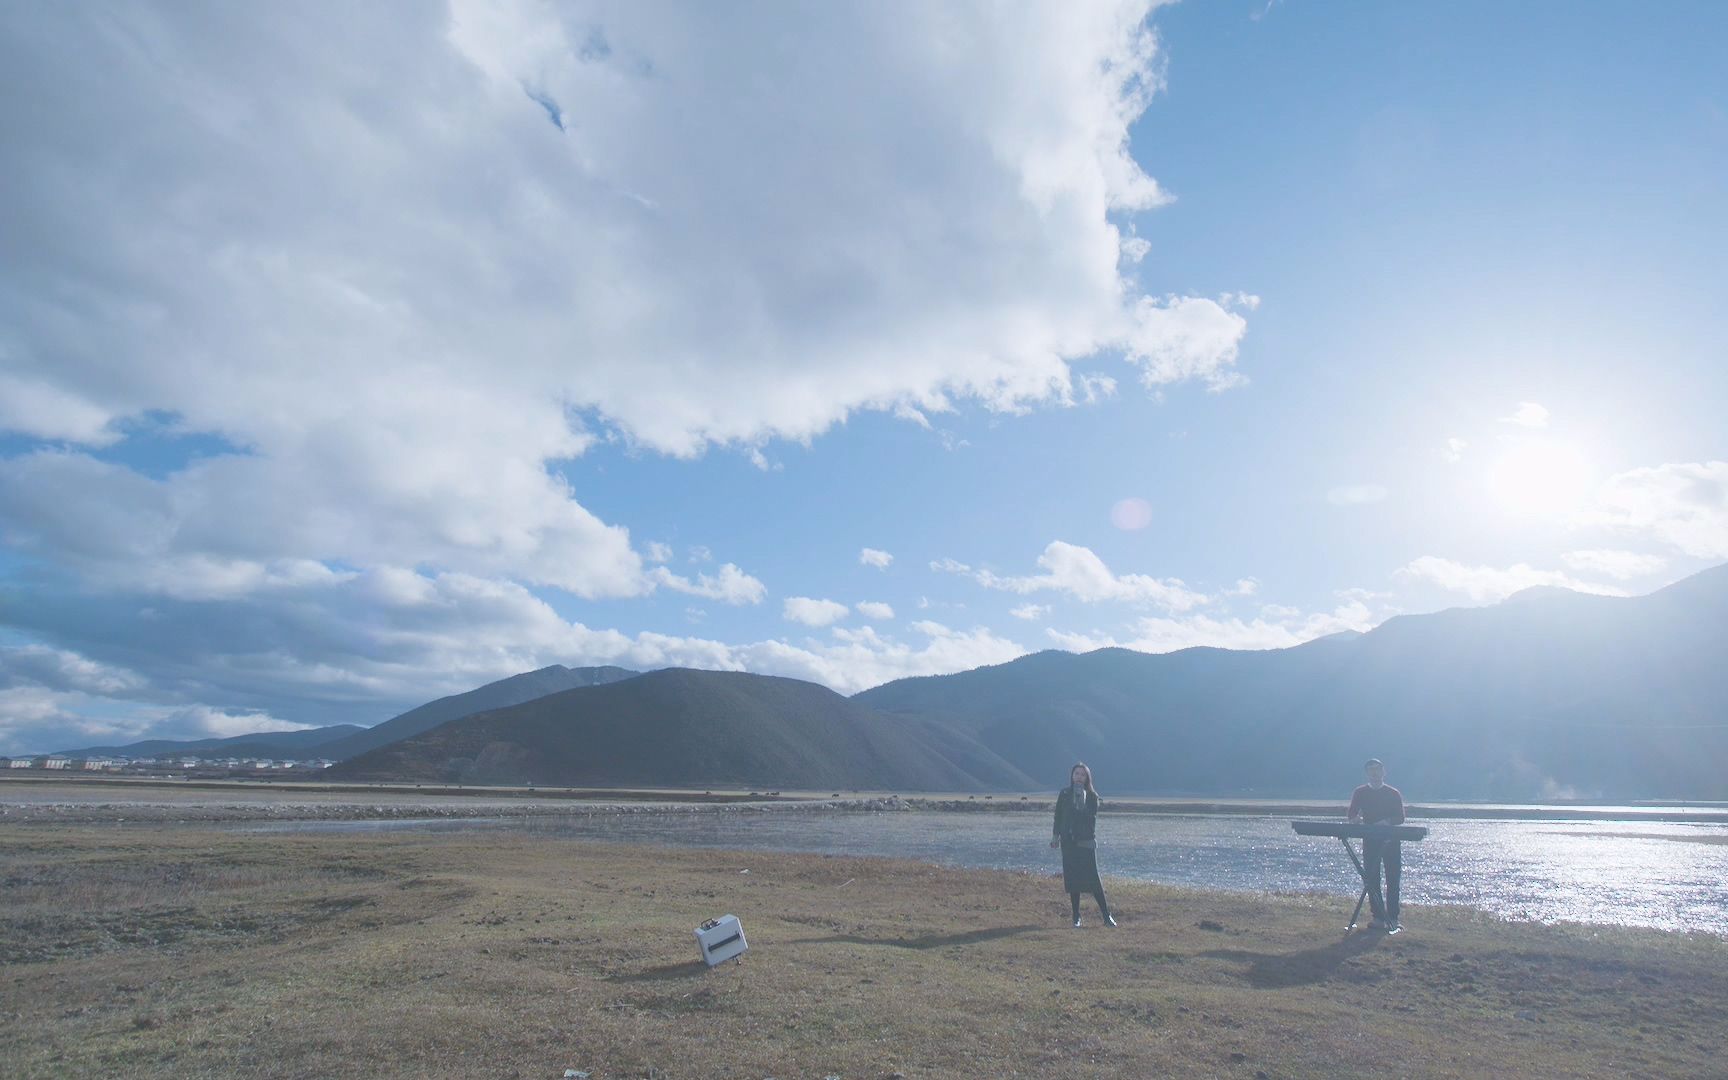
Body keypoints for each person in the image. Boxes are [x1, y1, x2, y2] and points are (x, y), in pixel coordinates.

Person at [1050, 762, 1115, 927]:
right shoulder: (1064, 794)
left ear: (1087, 778)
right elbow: (1058, 816)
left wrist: (1081, 802)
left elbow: (1090, 819)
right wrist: (1055, 836)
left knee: (1093, 879)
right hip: (1068, 843)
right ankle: (1076, 917)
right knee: (1073, 880)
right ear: (1072, 776)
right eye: (1076, 774)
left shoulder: (1092, 797)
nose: (1079, 777)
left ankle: (1107, 916)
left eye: (1082, 774)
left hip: (1085, 842)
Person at [1347, 758, 1406, 931]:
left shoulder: (1393, 793)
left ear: (1383, 772)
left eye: (1377, 769)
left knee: (1393, 878)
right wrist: (1355, 820)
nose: (1375, 773)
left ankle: (1393, 917)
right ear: (1367, 773)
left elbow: (1400, 818)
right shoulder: (1360, 792)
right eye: (1371, 769)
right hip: (1370, 840)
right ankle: (1378, 917)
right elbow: (1351, 814)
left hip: (1391, 841)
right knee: (1372, 879)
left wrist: (1387, 821)